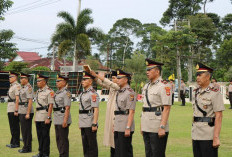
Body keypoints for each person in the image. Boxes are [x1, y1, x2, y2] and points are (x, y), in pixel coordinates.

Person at [192, 63, 225, 157]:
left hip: (208, 135)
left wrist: (216, 137)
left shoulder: (215, 93)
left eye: (200, 75)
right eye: (197, 75)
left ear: (207, 77)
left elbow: (219, 116)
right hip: (196, 133)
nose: (197, 77)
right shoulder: (196, 92)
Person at [141, 59, 172, 157]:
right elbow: (145, 107)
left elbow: (166, 108)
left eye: (150, 69)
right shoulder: (147, 86)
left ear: (157, 71)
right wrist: (142, 125)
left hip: (157, 125)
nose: (147, 72)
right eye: (147, 69)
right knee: (148, 153)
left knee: (157, 154)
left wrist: (162, 127)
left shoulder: (164, 85)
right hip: (146, 124)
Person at [90, 70, 120, 157]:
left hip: (116, 116)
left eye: (114, 78)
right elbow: (102, 83)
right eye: (112, 78)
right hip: (110, 114)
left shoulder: (119, 87)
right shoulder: (112, 87)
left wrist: (99, 76)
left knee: (116, 139)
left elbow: (109, 83)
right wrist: (95, 77)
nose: (113, 80)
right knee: (111, 138)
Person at [114, 69, 136, 157]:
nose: (117, 80)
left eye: (120, 78)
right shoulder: (119, 92)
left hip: (125, 125)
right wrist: (114, 125)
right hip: (118, 124)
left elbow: (131, 111)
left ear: (126, 80)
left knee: (125, 152)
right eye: (117, 78)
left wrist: (128, 127)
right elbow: (117, 111)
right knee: (118, 151)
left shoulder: (130, 93)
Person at [33, 74, 54, 157]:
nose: (37, 82)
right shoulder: (38, 91)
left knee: (45, 136)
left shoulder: (49, 91)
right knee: (39, 136)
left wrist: (48, 117)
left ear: (44, 82)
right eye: (37, 81)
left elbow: (51, 105)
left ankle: (45, 154)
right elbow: (37, 106)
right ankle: (40, 152)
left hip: (45, 116)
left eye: (39, 81)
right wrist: (35, 117)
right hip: (38, 116)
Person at [79, 71, 99, 157]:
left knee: (92, 144)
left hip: (90, 122)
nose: (82, 81)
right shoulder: (82, 93)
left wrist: (94, 123)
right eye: (82, 80)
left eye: (85, 79)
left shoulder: (93, 93)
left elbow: (96, 109)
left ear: (90, 81)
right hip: (83, 121)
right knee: (85, 144)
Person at [53, 74, 72, 157]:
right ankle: (61, 154)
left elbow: (67, 108)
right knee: (58, 138)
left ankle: (64, 155)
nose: (56, 82)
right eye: (56, 81)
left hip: (62, 118)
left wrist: (65, 120)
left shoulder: (66, 93)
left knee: (63, 139)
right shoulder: (57, 92)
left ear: (64, 82)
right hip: (57, 117)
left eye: (58, 81)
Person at [17, 73, 34, 153]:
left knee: (26, 130)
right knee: (24, 130)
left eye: (22, 78)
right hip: (22, 110)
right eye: (20, 78)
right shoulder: (23, 87)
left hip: (26, 110)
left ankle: (27, 148)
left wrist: (28, 113)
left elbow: (30, 101)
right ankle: (27, 146)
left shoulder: (28, 88)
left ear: (26, 79)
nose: (20, 80)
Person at [6, 72, 21, 148]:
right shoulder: (12, 86)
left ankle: (16, 143)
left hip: (13, 108)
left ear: (15, 77)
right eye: (9, 77)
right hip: (10, 107)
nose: (9, 78)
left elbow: (17, 98)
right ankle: (13, 141)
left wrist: (16, 109)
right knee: (12, 126)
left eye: (11, 77)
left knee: (15, 126)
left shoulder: (16, 86)